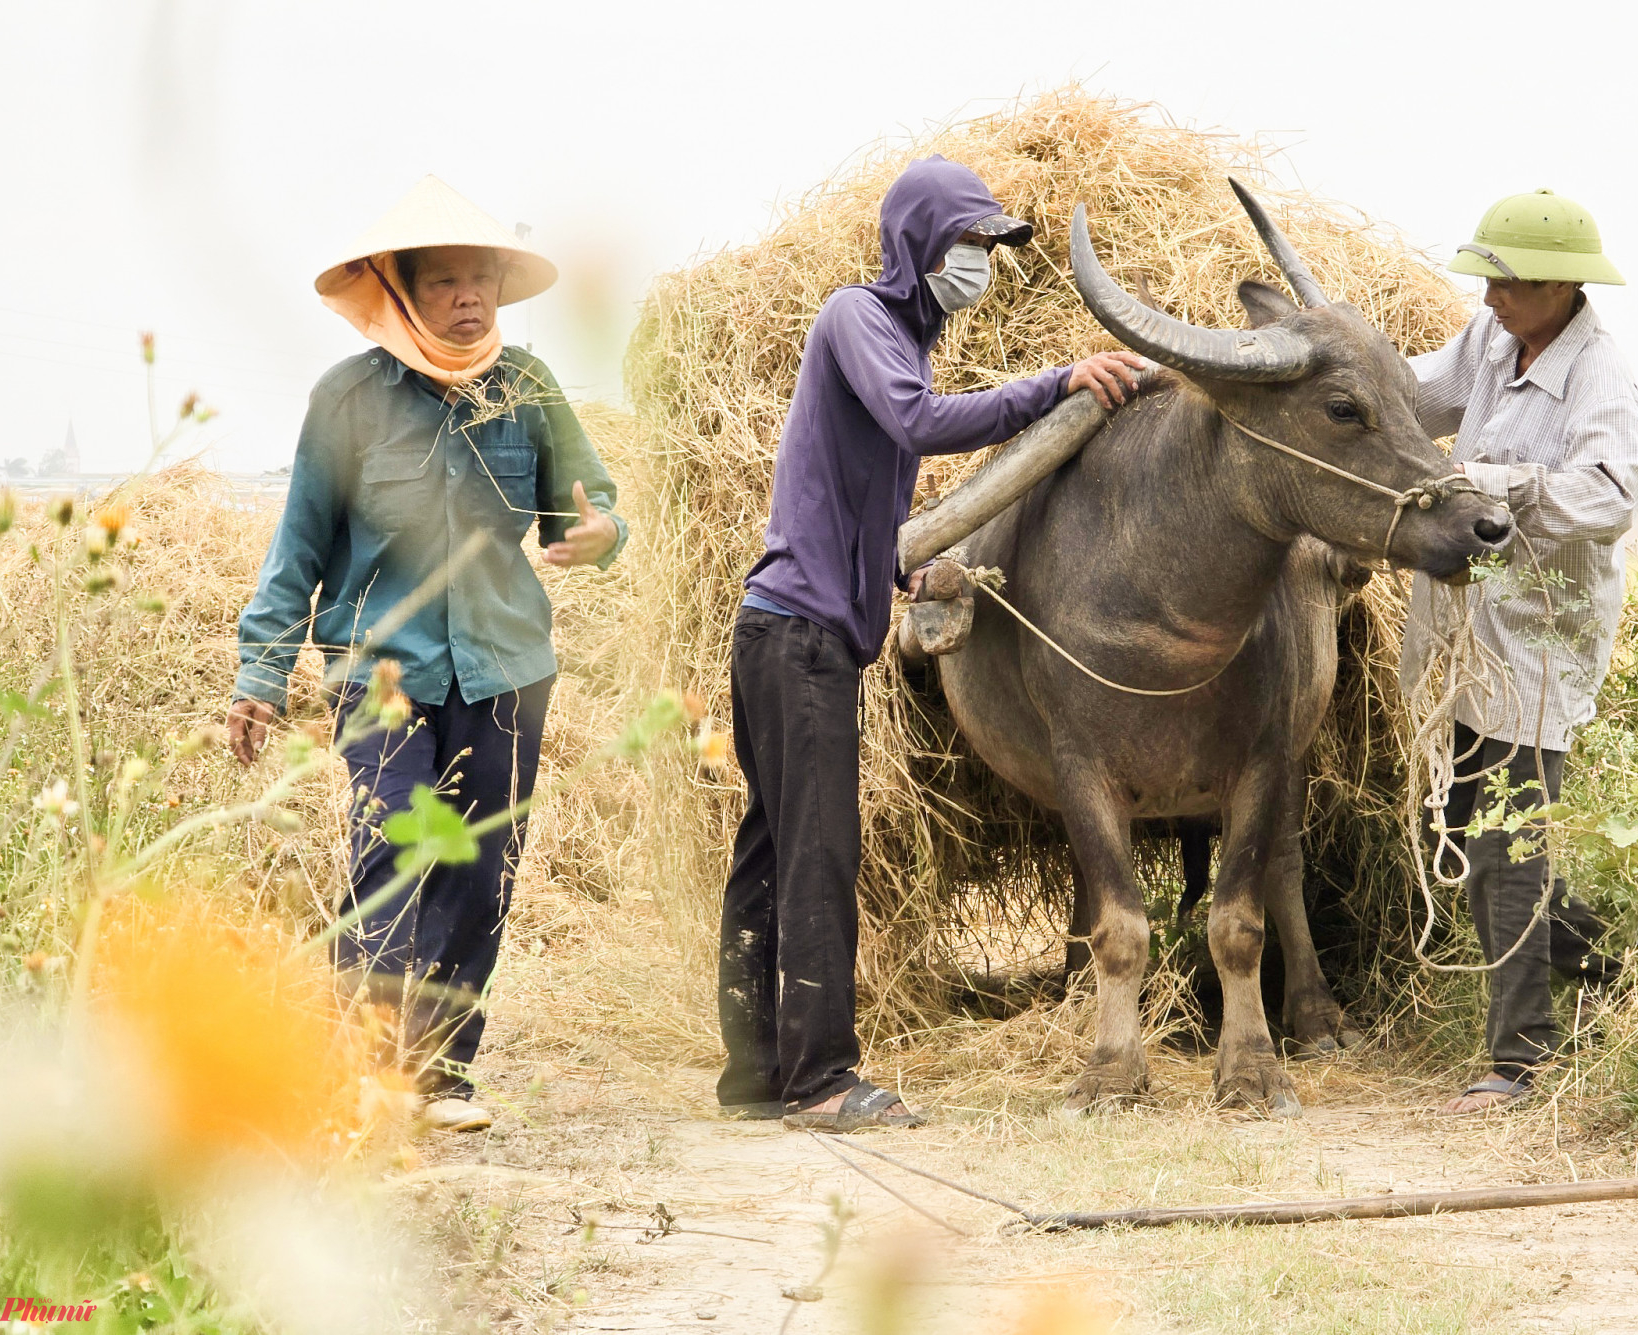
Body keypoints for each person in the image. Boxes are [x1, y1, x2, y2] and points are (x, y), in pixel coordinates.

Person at [719, 155, 1144, 1131]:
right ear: (917, 245)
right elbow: (916, 422)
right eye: (967, 243)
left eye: (989, 247)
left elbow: (854, 493)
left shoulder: (899, 344)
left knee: (772, 853)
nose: (981, 262)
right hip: (797, 638)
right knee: (817, 852)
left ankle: (753, 1074)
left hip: (793, 629)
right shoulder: (856, 318)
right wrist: (1059, 382)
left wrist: (899, 572)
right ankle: (820, 1081)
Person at [228, 176, 627, 1133]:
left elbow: (597, 498)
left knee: (481, 867)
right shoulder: (348, 401)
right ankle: (367, 1073)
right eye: (444, 281)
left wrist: (598, 532)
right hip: (383, 670)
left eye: (480, 279)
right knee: (396, 854)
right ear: (400, 292)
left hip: (507, 669)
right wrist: (260, 671)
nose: (468, 298)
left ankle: (440, 1075)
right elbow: (297, 550)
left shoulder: (524, 388)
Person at [1403, 188, 1638, 1115]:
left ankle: (1520, 1060)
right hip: (1466, 636)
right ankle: (1620, 978)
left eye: (1502, 282)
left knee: (1509, 841)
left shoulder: (1603, 381)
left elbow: (1609, 495)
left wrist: (1492, 485)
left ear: (1558, 285)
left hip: (1538, 641)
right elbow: (1418, 394)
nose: (1487, 298)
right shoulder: (1495, 343)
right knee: (1461, 831)